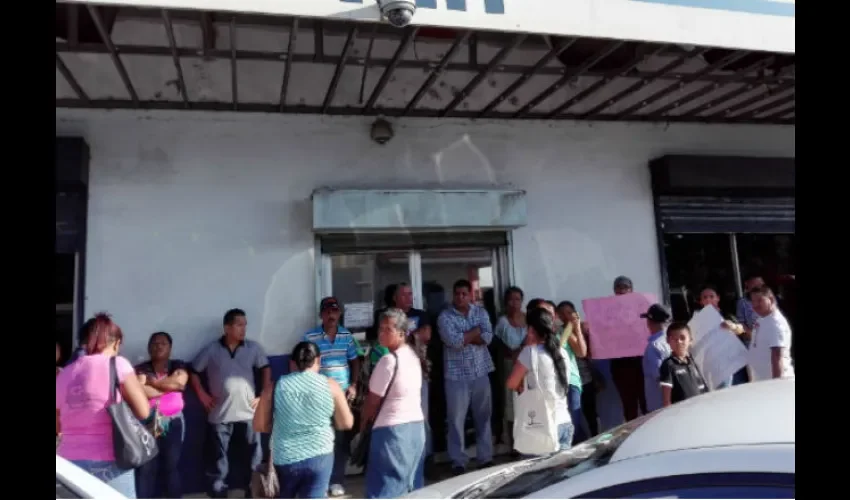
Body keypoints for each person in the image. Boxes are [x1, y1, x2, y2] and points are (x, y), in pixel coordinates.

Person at [56, 313, 151, 498]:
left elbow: (57, 424)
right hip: (110, 459)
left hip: (69, 461)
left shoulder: (64, 374)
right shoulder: (118, 364)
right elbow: (143, 410)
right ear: (115, 343)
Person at [191, 308, 271, 499]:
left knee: (253, 459)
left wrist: (263, 396)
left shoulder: (253, 348)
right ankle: (218, 493)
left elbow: (266, 369)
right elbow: (193, 372)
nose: (243, 329)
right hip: (220, 415)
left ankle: (253, 492)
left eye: (245, 325)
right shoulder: (212, 350)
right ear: (227, 327)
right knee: (219, 462)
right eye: (239, 325)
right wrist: (202, 395)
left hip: (249, 415)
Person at [263, 341, 354, 499]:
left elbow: (260, 425)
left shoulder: (275, 386)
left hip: (286, 458)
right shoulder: (331, 385)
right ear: (318, 360)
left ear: (292, 363)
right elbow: (346, 423)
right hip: (320, 457)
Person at [362, 308, 427, 498]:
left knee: (386, 490)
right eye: (380, 329)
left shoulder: (388, 361)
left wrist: (363, 425)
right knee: (412, 488)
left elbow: (372, 402)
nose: (381, 333)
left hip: (392, 435)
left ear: (401, 333)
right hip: (416, 430)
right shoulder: (414, 357)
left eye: (387, 329)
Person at [303, 297, 361, 497]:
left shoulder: (346, 336)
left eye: (334, 311)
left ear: (339, 314)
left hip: (342, 398)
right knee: (320, 440)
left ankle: (337, 480)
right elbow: (301, 365)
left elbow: (354, 362)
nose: (331, 315)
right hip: (318, 397)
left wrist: (353, 385)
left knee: (341, 441)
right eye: (327, 312)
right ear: (321, 315)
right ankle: (321, 482)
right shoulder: (310, 337)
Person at [437, 279, 495, 475]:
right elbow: (454, 342)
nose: (460, 297)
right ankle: (458, 461)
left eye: (464, 294)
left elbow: (487, 338)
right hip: (456, 376)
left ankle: (485, 457)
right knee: (455, 420)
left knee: (483, 417)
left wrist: (467, 336)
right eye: (457, 294)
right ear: (453, 295)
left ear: (470, 295)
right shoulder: (444, 317)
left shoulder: (480, 312)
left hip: (480, 372)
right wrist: (475, 332)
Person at [506, 307, 574, 451]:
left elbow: (512, 383)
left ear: (531, 330)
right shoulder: (562, 352)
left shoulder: (529, 353)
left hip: (542, 425)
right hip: (564, 421)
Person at [134, 332, 189, 499]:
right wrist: (168, 386)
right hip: (147, 423)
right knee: (146, 468)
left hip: (174, 422)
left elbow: (179, 382)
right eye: (155, 343)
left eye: (163, 343)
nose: (158, 346)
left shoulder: (178, 365)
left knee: (171, 467)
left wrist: (153, 383)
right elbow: (142, 392)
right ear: (149, 348)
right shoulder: (141, 369)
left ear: (170, 348)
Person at [608, 276, 648, 421]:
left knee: (646, 402)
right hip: (620, 365)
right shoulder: (607, 312)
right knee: (628, 404)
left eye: (625, 287)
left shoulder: (642, 308)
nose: (622, 291)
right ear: (614, 291)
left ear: (632, 290)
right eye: (619, 288)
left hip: (641, 362)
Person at [494, 286, 526, 451]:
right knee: (511, 404)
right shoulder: (502, 322)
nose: (514, 303)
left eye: (517, 299)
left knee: (527, 402)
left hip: (527, 367)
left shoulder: (528, 319)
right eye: (511, 299)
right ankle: (514, 444)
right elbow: (505, 346)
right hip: (510, 366)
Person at [741, 286, 794, 381]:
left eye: (759, 300)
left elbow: (777, 357)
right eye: (753, 301)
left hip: (773, 386)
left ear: (771, 299)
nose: (755, 305)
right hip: (761, 383)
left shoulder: (775, 323)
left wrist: (775, 386)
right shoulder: (762, 319)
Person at [555, 301, 588, 444]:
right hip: (554, 382)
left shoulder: (565, 332)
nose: (565, 316)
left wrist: (577, 329)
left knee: (575, 418)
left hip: (571, 380)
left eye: (568, 313)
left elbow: (581, 352)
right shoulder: (543, 334)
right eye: (561, 313)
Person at [660, 322, 709, 406]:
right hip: (681, 413)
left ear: (690, 340)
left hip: (699, 408)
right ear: (667, 340)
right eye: (674, 339)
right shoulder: (668, 364)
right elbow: (666, 400)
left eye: (682, 338)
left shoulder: (693, 362)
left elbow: (701, 388)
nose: (679, 342)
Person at [640, 304, 673, 413]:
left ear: (649, 323)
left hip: (659, 404)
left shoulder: (654, 347)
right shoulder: (673, 340)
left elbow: (661, 378)